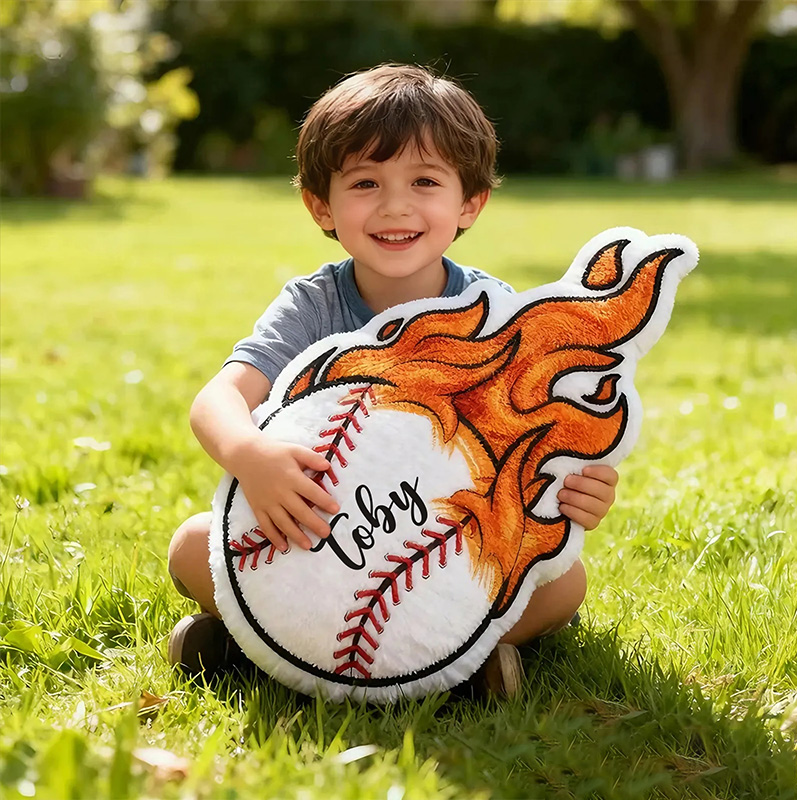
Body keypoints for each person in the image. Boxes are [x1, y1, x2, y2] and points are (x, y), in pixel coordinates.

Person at [167, 63, 619, 698]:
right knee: (192, 547)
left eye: (425, 181)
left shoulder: (497, 316)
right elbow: (218, 398)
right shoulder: (313, 305)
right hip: (316, 535)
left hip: (445, 549)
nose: (395, 206)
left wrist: (579, 489)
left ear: (470, 202)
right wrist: (251, 457)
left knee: (565, 584)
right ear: (320, 205)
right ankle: (305, 645)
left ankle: (435, 659)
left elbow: (543, 442)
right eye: (365, 182)